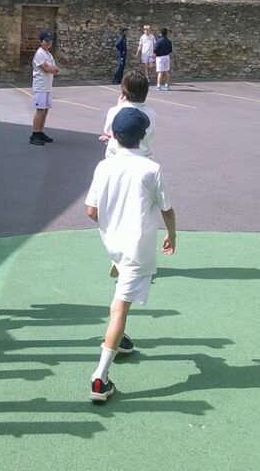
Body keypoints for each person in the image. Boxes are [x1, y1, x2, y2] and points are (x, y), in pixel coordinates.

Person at [85, 107, 176, 403]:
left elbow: (91, 211)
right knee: (119, 309)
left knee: (121, 292)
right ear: (144, 136)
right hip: (137, 247)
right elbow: (166, 209)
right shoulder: (152, 169)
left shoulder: (103, 166)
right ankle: (100, 378)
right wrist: (172, 235)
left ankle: (120, 340)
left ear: (114, 135)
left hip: (114, 243)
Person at [100, 70, 157, 158]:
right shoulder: (151, 114)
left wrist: (119, 106)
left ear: (124, 93)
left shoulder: (115, 111)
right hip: (144, 156)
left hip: (116, 157)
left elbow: (108, 131)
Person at [30, 32, 59, 146]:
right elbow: (47, 68)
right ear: (41, 42)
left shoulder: (48, 54)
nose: (48, 43)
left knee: (45, 110)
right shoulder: (40, 54)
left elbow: (53, 68)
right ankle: (34, 134)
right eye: (46, 41)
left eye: (50, 41)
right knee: (40, 110)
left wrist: (53, 69)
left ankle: (40, 131)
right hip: (41, 86)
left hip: (47, 86)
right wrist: (53, 69)